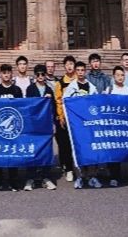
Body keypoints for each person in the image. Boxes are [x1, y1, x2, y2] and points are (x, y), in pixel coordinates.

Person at [63, 68, 101, 189]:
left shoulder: (92, 87)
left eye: (82, 70)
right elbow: (65, 102)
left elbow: (96, 103)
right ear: (76, 72)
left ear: (85, 72)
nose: (80, 72)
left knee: (91, 149)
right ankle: (80, 176)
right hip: (77, 123)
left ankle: (92, 176)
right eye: (78, 70)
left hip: (90, 123)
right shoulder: (71, 87)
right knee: (78, 149)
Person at [105, 66, 128, 187]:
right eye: (118, 75)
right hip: (114, 126)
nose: (120, 77)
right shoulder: (109, 90)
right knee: (115, 151)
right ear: (113, 76)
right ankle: (114, 176)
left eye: (122, 75)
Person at [0, 63, 24, 191]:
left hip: (14, 127)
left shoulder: (17, 90)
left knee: (12, 153)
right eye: (4, 73)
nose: (6, 75)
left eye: (8, 72)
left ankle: (13, 181)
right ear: (0, 75)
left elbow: (21, 106)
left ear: (11, 74)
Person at [24, 64, 57, 191]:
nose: (40, 76)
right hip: (33, 124)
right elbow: (28, 105)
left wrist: (53, 123)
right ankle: (30, 178)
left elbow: (53, 107)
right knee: (32, 150)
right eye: (38, 74)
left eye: (43, 74)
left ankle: (45, 177)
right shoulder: (30, 89)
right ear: (35, 75)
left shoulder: (49, 89)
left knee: (46, 150)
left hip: (46, 124)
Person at [53, 55, 78, 184]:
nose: (69, 66)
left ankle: (80, 167)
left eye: (71, 64)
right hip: (65, 118)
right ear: (64, 66)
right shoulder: (60, 83)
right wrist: (61, 116)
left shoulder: (80, 81)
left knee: (79, 143)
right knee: (66, 144)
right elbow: (58, 101)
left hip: (78, 118)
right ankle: (69, 169)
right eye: (67, 64)